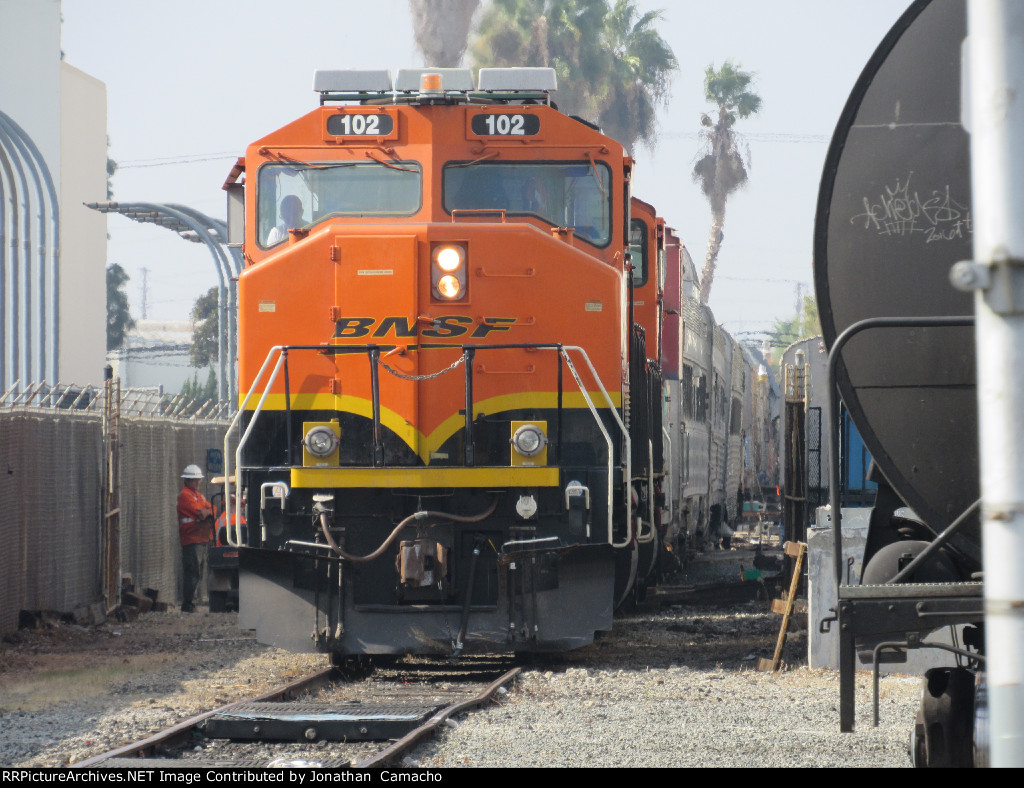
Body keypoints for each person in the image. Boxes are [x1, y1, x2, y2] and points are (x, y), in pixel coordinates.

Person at [177, 464, 214, 613]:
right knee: (193, 572)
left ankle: (191, 603)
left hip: (201, 538)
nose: (198, 482)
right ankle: (188, 605)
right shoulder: (185, 496)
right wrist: (206, 512)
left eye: (198, 479)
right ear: (187, 481)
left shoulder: (198, 496)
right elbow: (200, 512)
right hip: (191, 539)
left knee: (198, 572)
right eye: (195, 480)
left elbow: (211, 509)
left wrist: (208, 511)